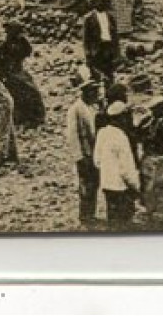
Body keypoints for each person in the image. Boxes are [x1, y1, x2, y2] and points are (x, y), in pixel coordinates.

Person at [94, 100, 141, 228]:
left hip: (106, 184)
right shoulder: (121, 136)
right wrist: (136, 187)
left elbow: (97, 160)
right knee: (124, 221)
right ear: (121, 118)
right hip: (121, 186)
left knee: (112, 218)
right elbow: (126, 169)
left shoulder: (102, 133)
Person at [0, 23, 46, 129]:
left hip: (17, 71)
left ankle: (33, 117)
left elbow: (27, 51)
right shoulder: (4, 45)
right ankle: (18, 118)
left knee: (31, 90)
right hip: (7, 74)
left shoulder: (21, 42)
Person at [65, 81, 101, 227]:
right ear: (86, 93)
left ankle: (90, 214)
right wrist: (79, 157)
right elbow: (73, 136)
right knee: (86, 185)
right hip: (84, 155)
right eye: (94, 93)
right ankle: (85, 216)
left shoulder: (92, 107)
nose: (96, 96)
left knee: (93, 184)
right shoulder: (75, 109)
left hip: (93, 153)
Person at [82, 0, 119, 82]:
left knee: (109, 73)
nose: (101, 3)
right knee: (96, 73)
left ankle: (109, 92)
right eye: (99, 1)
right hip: (97, 49)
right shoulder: (88, 18)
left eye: (104, 1)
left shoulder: (110, 17)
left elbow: (115, 35)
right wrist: (87, 54)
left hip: (108, 47)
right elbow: (86, 39)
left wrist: (117, 51)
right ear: (94, 3)